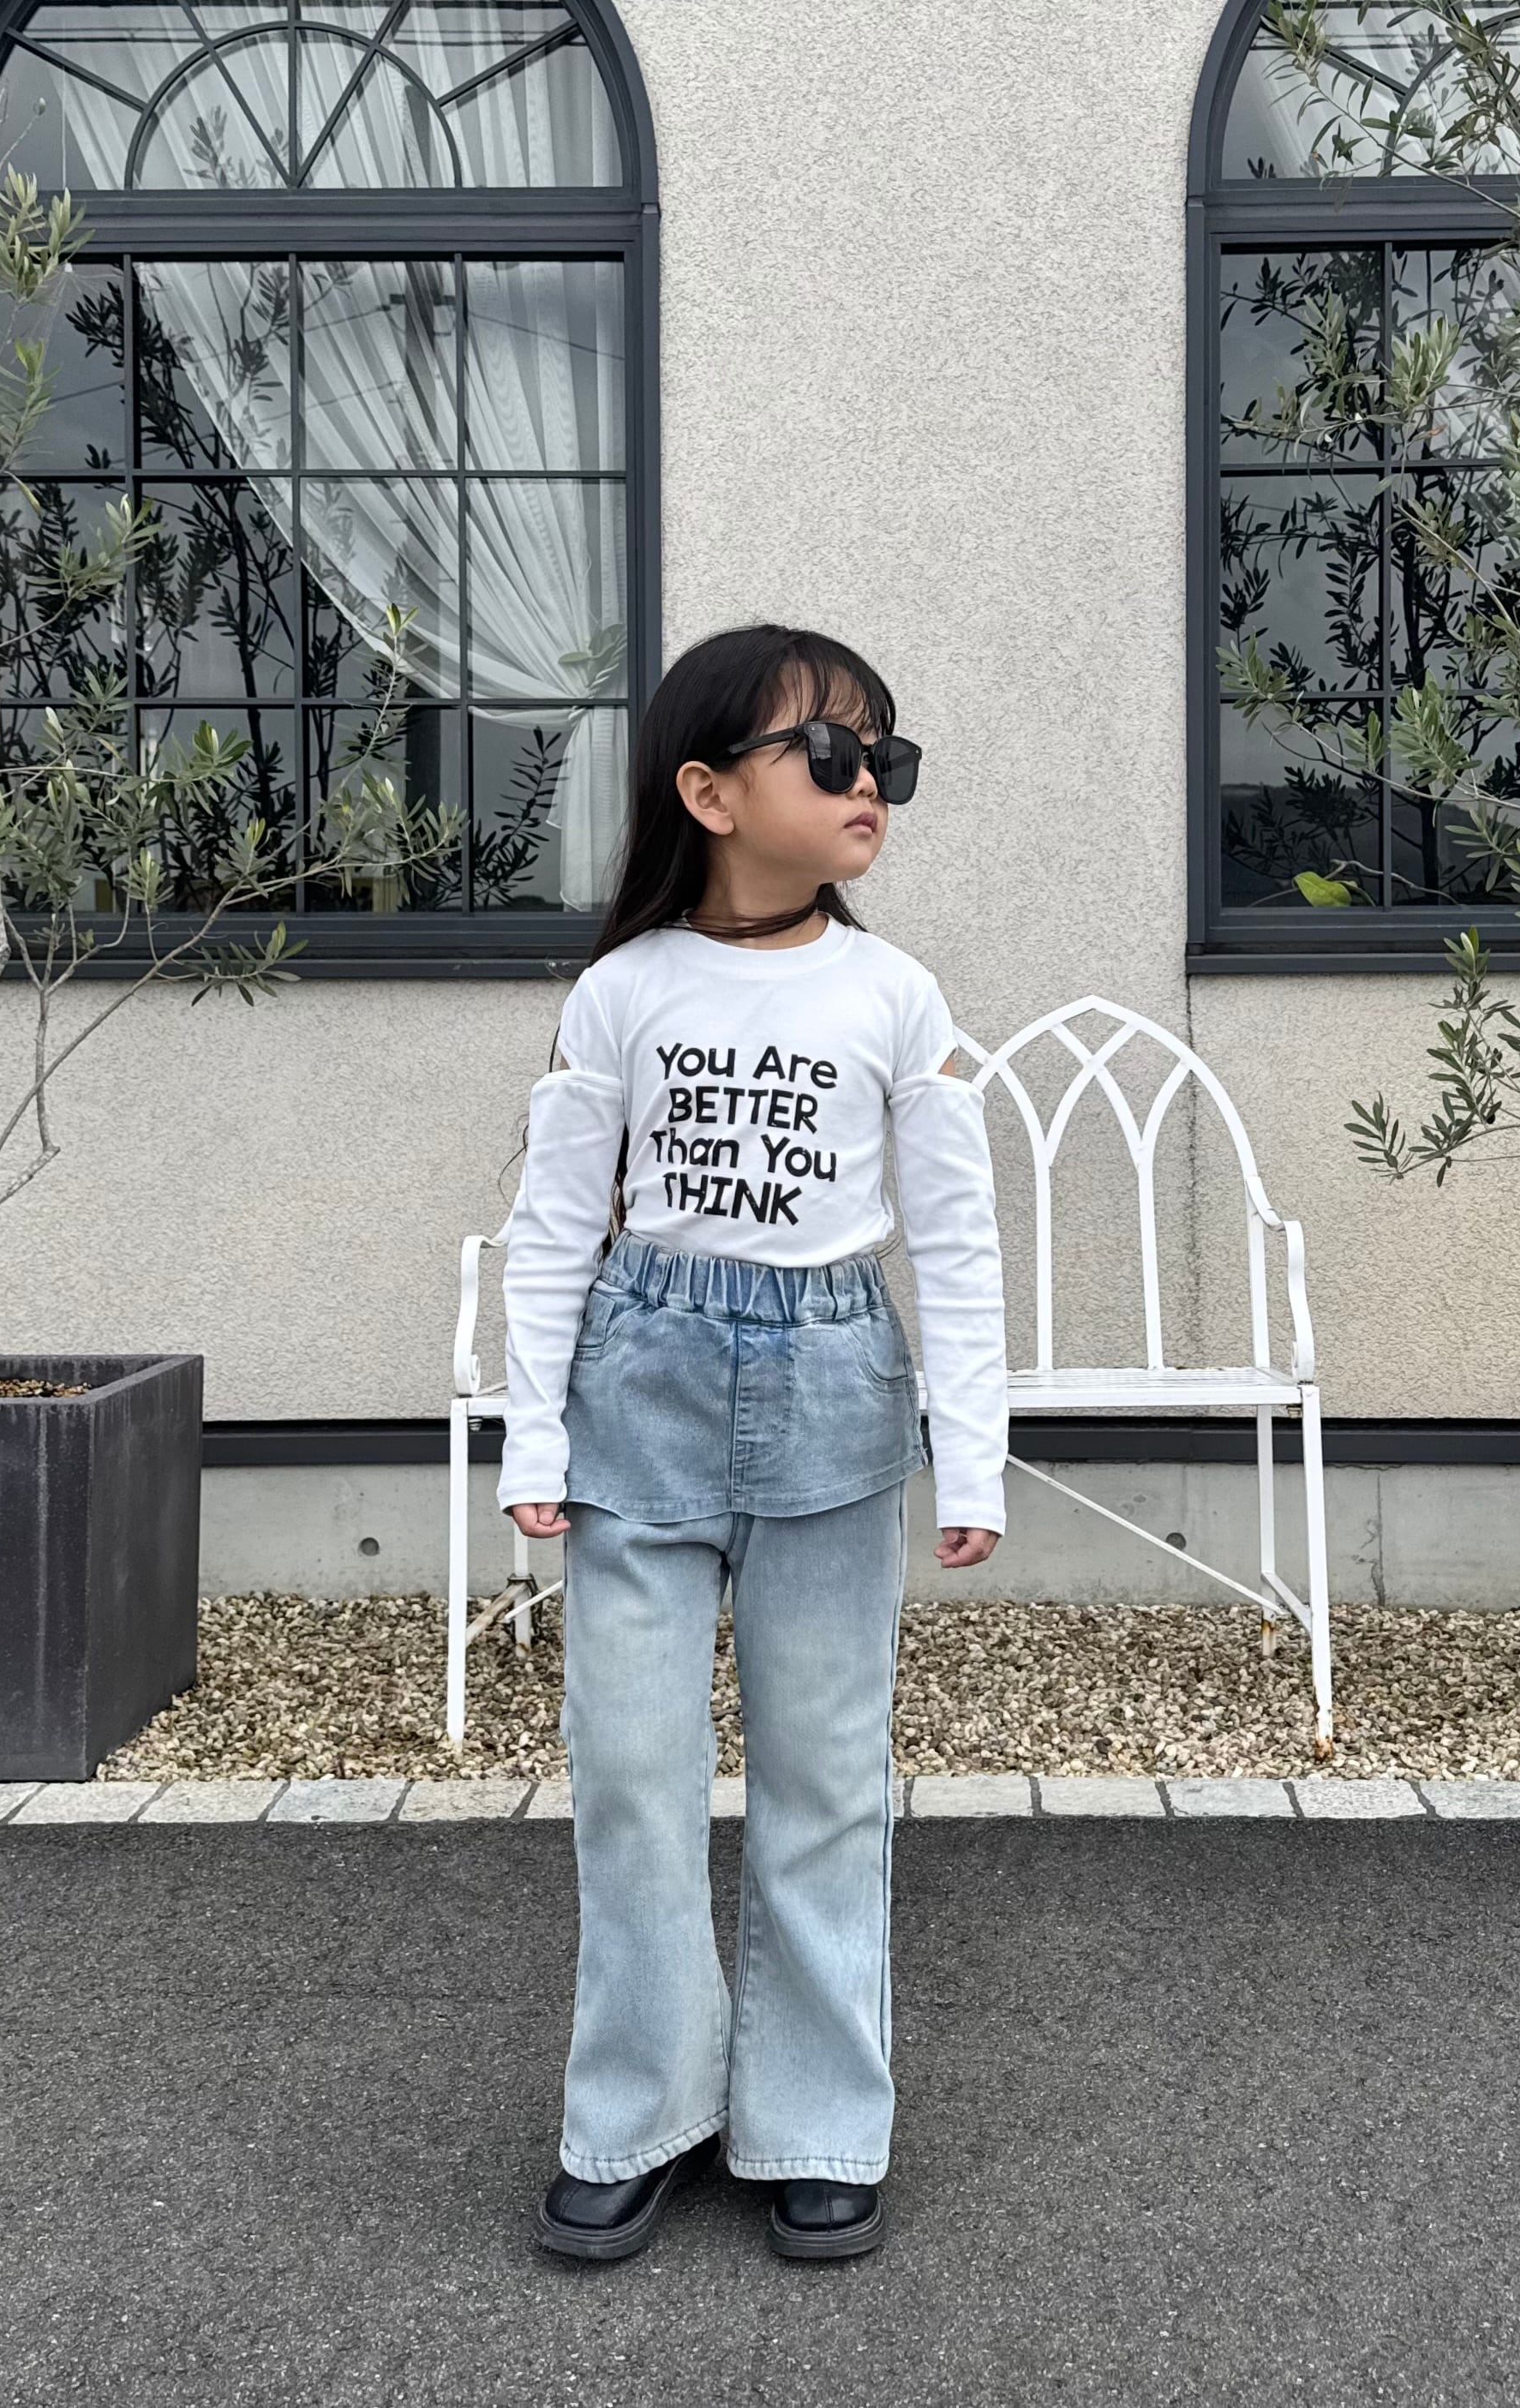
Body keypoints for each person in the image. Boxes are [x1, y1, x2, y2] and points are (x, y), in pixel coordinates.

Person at [496, 622, 1008, 2264]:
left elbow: (956, 1236)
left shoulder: (895, 995)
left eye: (885, 759)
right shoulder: (624, 991)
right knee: (631, 1771)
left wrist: (974, 1454)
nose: (871, 787)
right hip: (638, 1391)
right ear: (709, 792)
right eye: (833, 755)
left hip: (835, 1392)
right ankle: (636, 2106)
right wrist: (529, 1432)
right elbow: (554, 1224)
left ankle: (818, 2116)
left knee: (828, 1775)